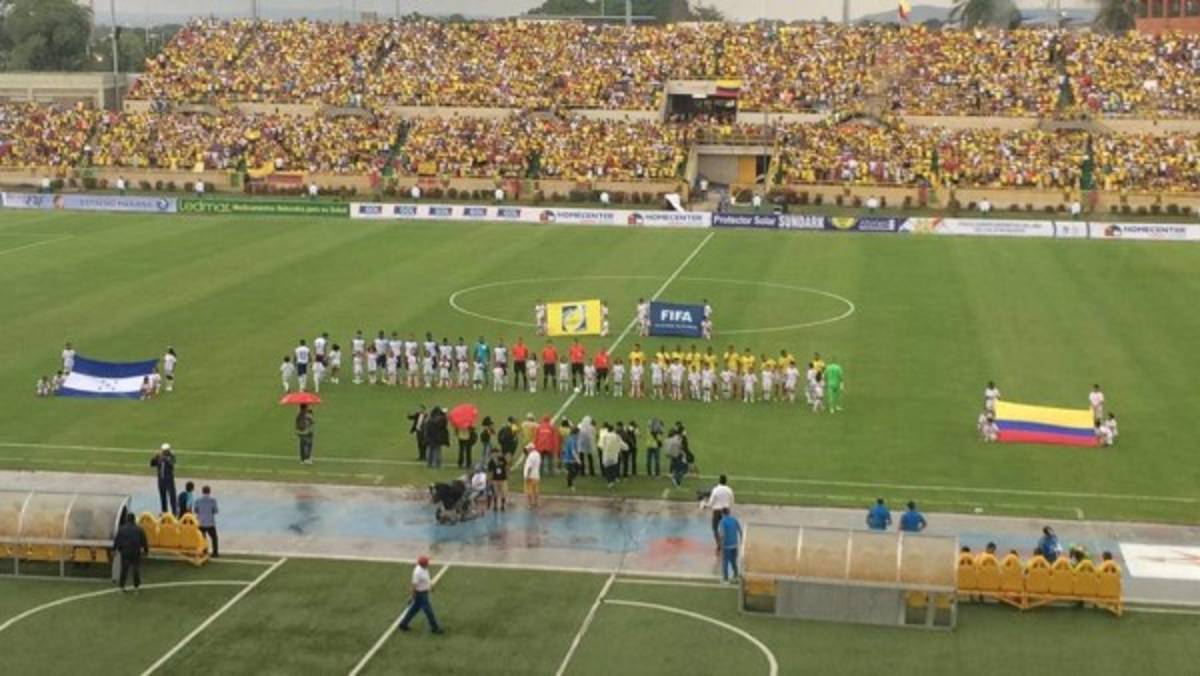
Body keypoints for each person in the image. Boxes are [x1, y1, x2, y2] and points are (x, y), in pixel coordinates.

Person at [398, 555, 443, 634]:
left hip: (424, 592)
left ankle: (403, 624)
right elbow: (414, 586)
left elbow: (427, 579)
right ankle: (435, 628)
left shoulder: (424, 569)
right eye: (427, 562)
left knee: (413, 609)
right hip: (421, 594)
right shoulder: (417, 573)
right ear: (424, 564)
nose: (428, 563)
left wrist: (430, 586)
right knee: (429, 611)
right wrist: (412, 597)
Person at [113, 513, 149, 592]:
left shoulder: (122, 529)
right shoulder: (139, 529)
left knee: (124, 569)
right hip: (135, 551)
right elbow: (144, 541)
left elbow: (117, 540)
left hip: (125, 551)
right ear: (134, 519)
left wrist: (115, 549)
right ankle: (136, 586)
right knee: (136, 568)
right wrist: (146, 551)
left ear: (127, 519)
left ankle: (122, 586)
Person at [708, 475, 734, 551]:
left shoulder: (715, 490)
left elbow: (711, 502)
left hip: (716, 510)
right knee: (726, 528)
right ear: (726, 481)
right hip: (726, 510)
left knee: (715, 528)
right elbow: (732, 501)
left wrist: (708, 505)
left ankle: (719, 543)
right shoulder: (729, 490)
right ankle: (725, 542)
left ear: (719, 480)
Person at [150, 443, 177, 514]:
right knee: (162, 497)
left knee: (172, 497)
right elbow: (152, 464)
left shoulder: (171, 456)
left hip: (169, 480)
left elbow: (172, 465)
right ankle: (164, 512)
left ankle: (174, 512)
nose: (163, 452)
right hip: (161, 480)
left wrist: (166, 460)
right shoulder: (159, 456)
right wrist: (154, 458)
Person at [717, 508, 742, 583]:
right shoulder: (734, 519)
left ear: (722, 513)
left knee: (725, 562)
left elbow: (722, 534)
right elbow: (740, 531)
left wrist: (720, 545)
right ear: (729, 512)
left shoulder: (722, 521)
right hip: (734, 545)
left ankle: (725, 579)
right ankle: (736, 574)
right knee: (733, 561)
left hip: (726, 545)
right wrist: (740, 542)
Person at [194, 485, 219, 557]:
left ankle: (204, 550)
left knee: (202, 537)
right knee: (214, 538)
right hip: (210, 522)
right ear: (209, 491)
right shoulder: (213, 500)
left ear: (202, 491)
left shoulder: (198, 500)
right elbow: (215, 511)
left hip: (201, 522)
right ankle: (215, 552)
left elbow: (196, 510)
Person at [486, 446, 509, 511]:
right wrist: (489, 480)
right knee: (495, 493)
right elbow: (490, 472)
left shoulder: (502, 459)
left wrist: (507, 475)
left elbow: (506, 467)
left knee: (503, 493)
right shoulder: (491, 462)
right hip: (495, 480)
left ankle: (502, 506)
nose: (494, 455)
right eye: (493, 453)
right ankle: (495, 506)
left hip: (503, 479)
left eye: (495, 453)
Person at [523, 443, 542, 508]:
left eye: (528, 449)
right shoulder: (538, 454)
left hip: (530, 476)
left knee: (529, 491)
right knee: (536, 490)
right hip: (536, 475)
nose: (527, 450)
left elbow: (529, 467)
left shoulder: (530, 456)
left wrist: (527, 476)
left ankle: (529, 504)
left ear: (530, 449)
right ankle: (536, 503)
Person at [562, 425, 581, 490]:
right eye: (578, 433)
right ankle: (570, 485)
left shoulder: (570, 438)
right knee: (574, 471)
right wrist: (578, 459)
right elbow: (573, 451)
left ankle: (569, 481)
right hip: (570, 459)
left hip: (568, 459)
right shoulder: (573, 440)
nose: (579, 434)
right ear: (576, 433)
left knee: (574, 471)